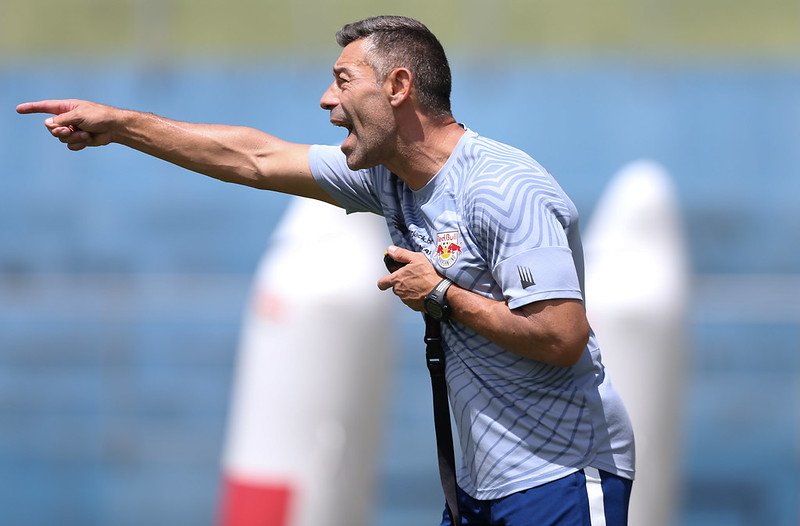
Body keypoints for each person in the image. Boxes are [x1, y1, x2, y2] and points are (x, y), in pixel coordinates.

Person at [17, 15, 635, 525]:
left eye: (342, 81)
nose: (325, 99)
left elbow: (561, 337)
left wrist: (443, 295)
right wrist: (122, 125)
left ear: (396, 87)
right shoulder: (387, 176)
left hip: (561, 476)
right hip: (476, 490)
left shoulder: (505, 188)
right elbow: (254, 159)